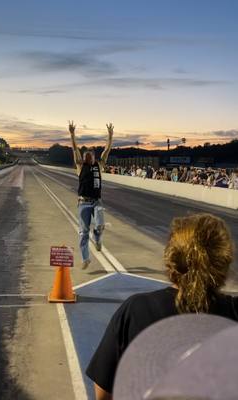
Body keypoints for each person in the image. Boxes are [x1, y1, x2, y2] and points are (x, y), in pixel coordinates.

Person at [86, 213, 238, 399]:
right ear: (223, 261)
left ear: (171, 258)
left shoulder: (136, 310)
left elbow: (103, 393)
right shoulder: (233, 314)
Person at [69, 121, 114, 269]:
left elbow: (107, 150)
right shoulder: (80, 166)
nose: (89, 157)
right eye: (86, 155)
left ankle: (98, 239)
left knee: (100, 224)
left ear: (94, 157)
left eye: (91, 155)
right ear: (84, 157)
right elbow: (75, 148)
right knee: (83, 232)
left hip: (96, 201)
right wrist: (72, 134)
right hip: (83, 202)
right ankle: (85, 259)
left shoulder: (99, 165)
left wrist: (110, 135)